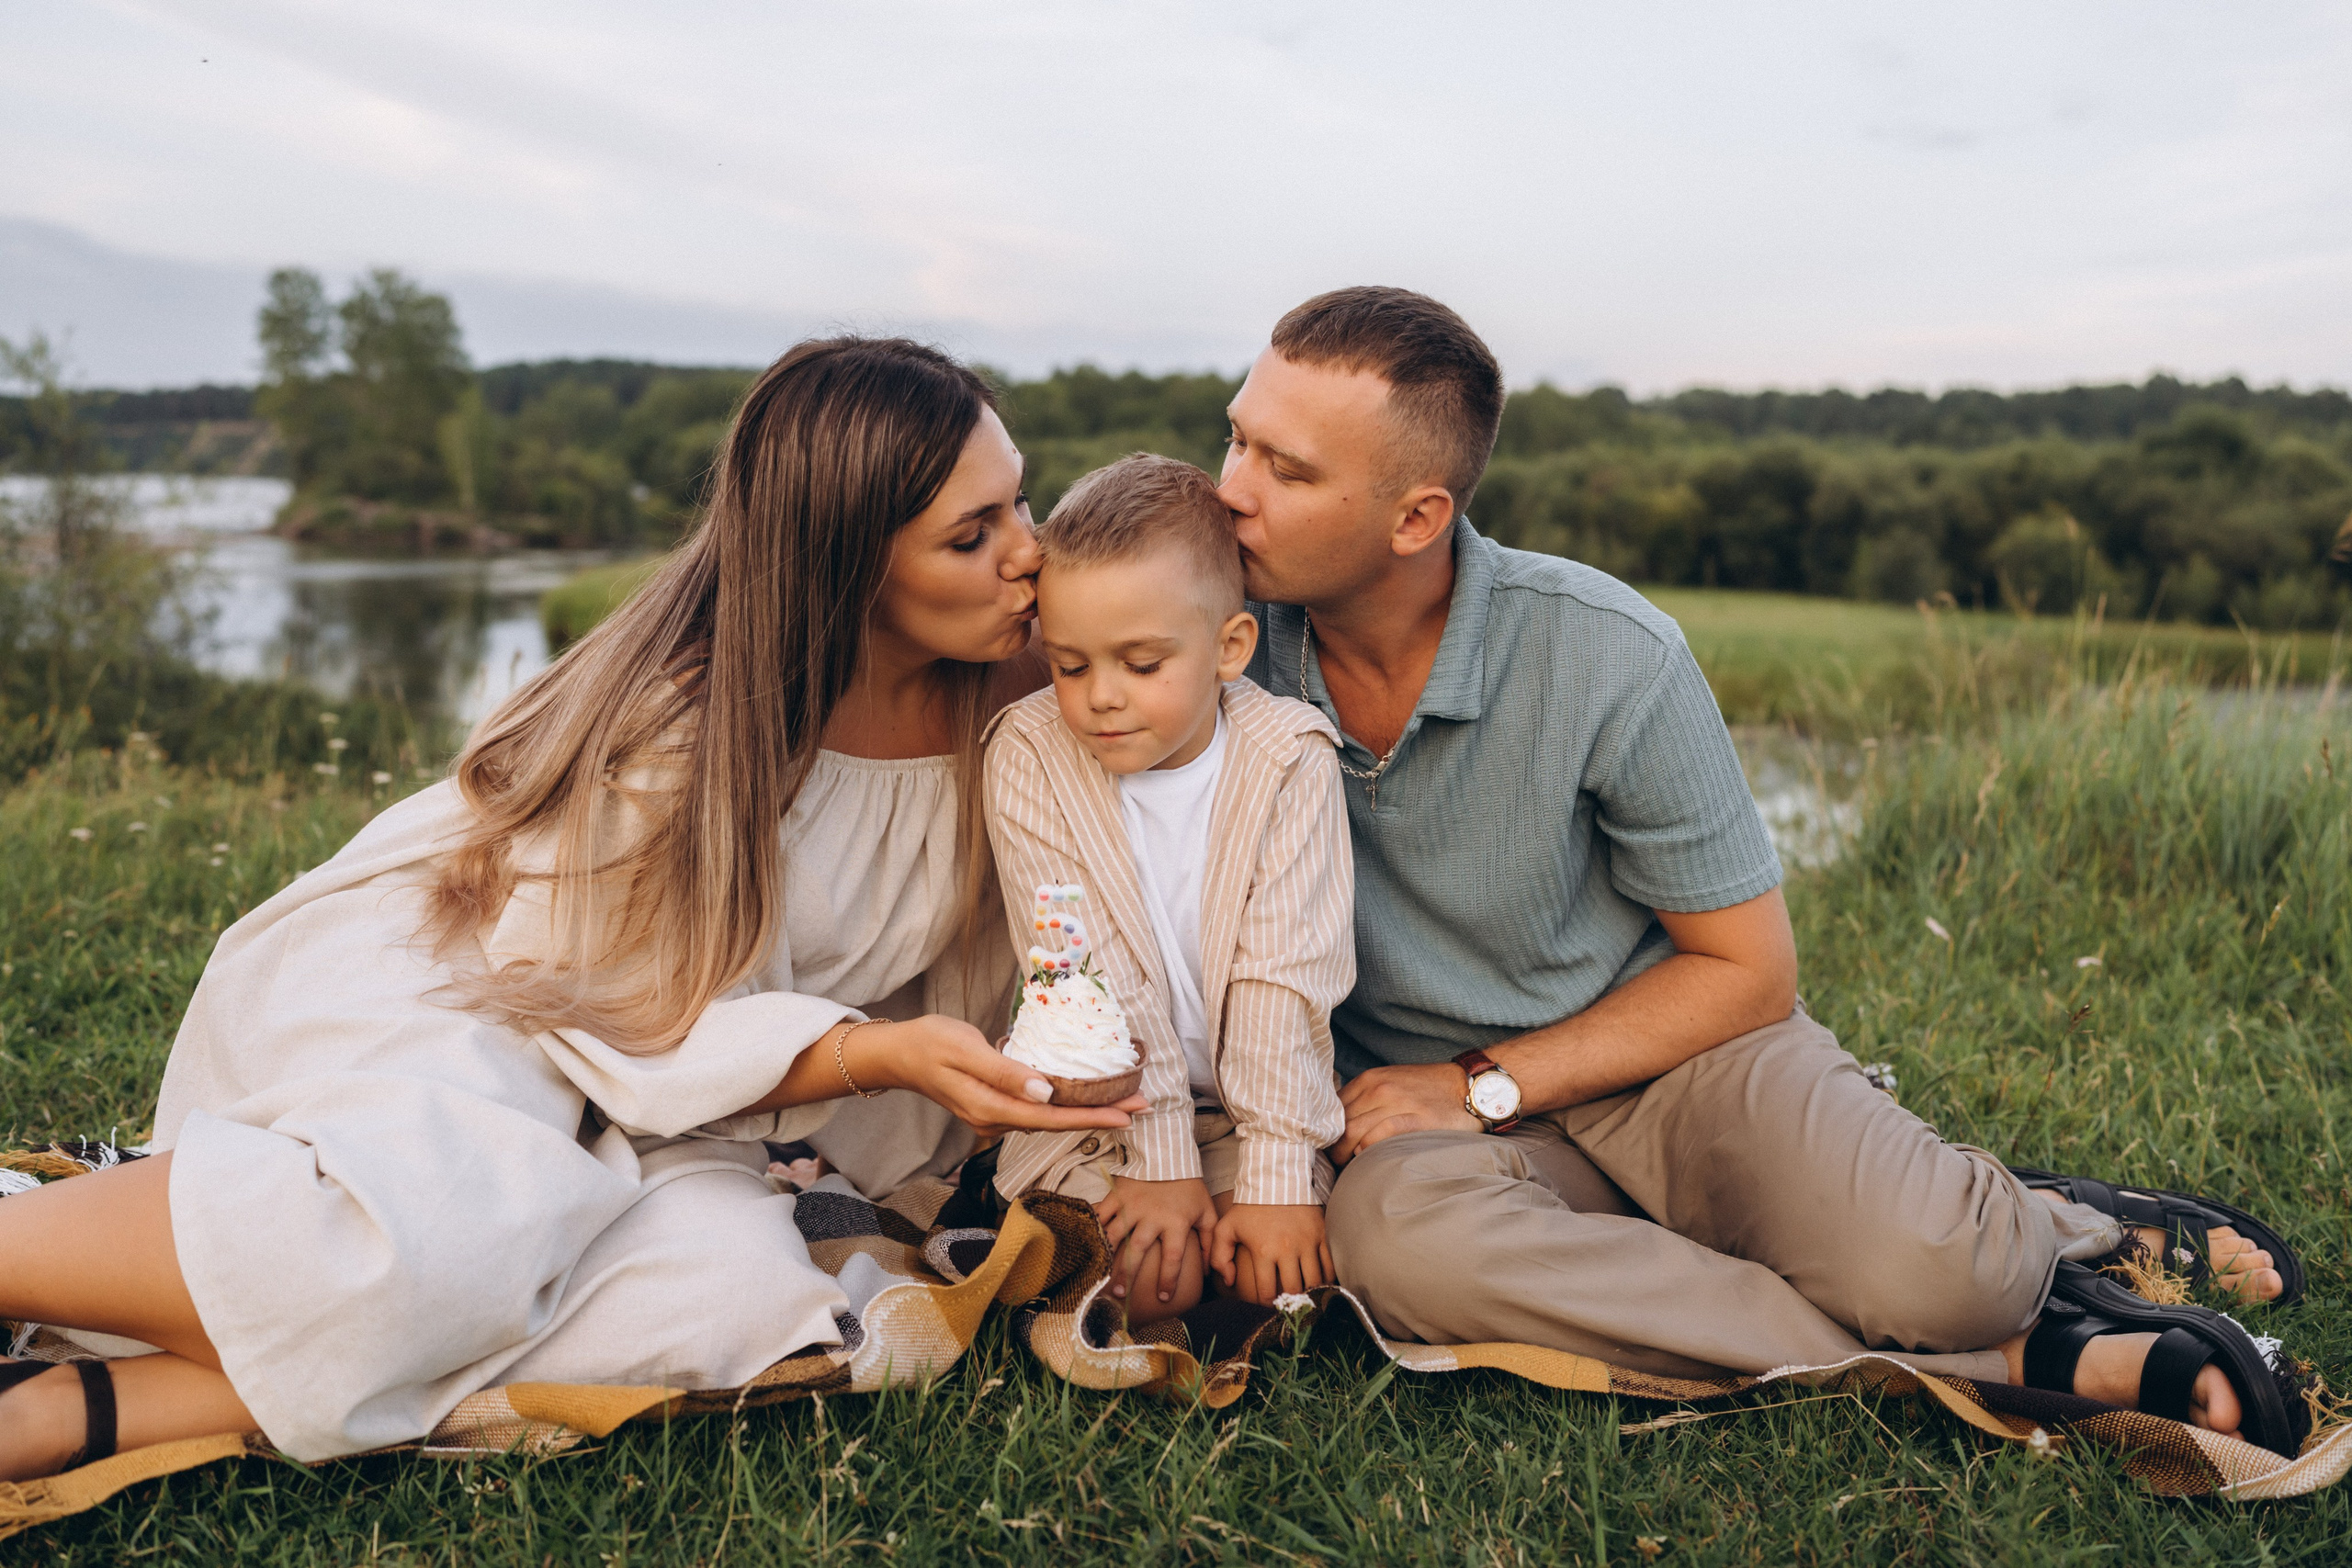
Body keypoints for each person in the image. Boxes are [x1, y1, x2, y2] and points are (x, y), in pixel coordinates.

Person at [0, 337, 1144, 1482]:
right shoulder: (690, 727)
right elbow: (623, 1015)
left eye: (1020, 501)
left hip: (689, 1103)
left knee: (736, 1302)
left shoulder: (1040, 681)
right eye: (971, 534)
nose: (1026, 555)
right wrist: (875, 1052)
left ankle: (89, 1397)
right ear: (846, 564)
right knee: (430, 1236)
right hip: (490, 998)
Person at [1227, 287, 2306, 1452]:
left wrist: (1481, 1082)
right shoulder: (1207, 638)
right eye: (1233, 435)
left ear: (1414, 517)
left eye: (1285, 469)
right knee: (1394, 1254)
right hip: (1429, 1134)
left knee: (1951, 1269)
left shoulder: (1608, 651)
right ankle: (2021, 1357)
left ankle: (2044, 1226)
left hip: (1666, 1060)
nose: (1230, 486)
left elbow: (1745, 971)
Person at [984, 455, 1353, 1325]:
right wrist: (1157, 1162)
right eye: (1070, 666)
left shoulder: (1289, 758)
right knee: (1152, 1285)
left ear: (1230, 647)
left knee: (1280, 1282)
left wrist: (1269, 1177)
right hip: (1098, 1110)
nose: (1100, 698)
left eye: (1142, 664)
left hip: (1254, 1106)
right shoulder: (1031, 753)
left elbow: (1285, 978)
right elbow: (1087, 974)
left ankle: (1251, 1206)